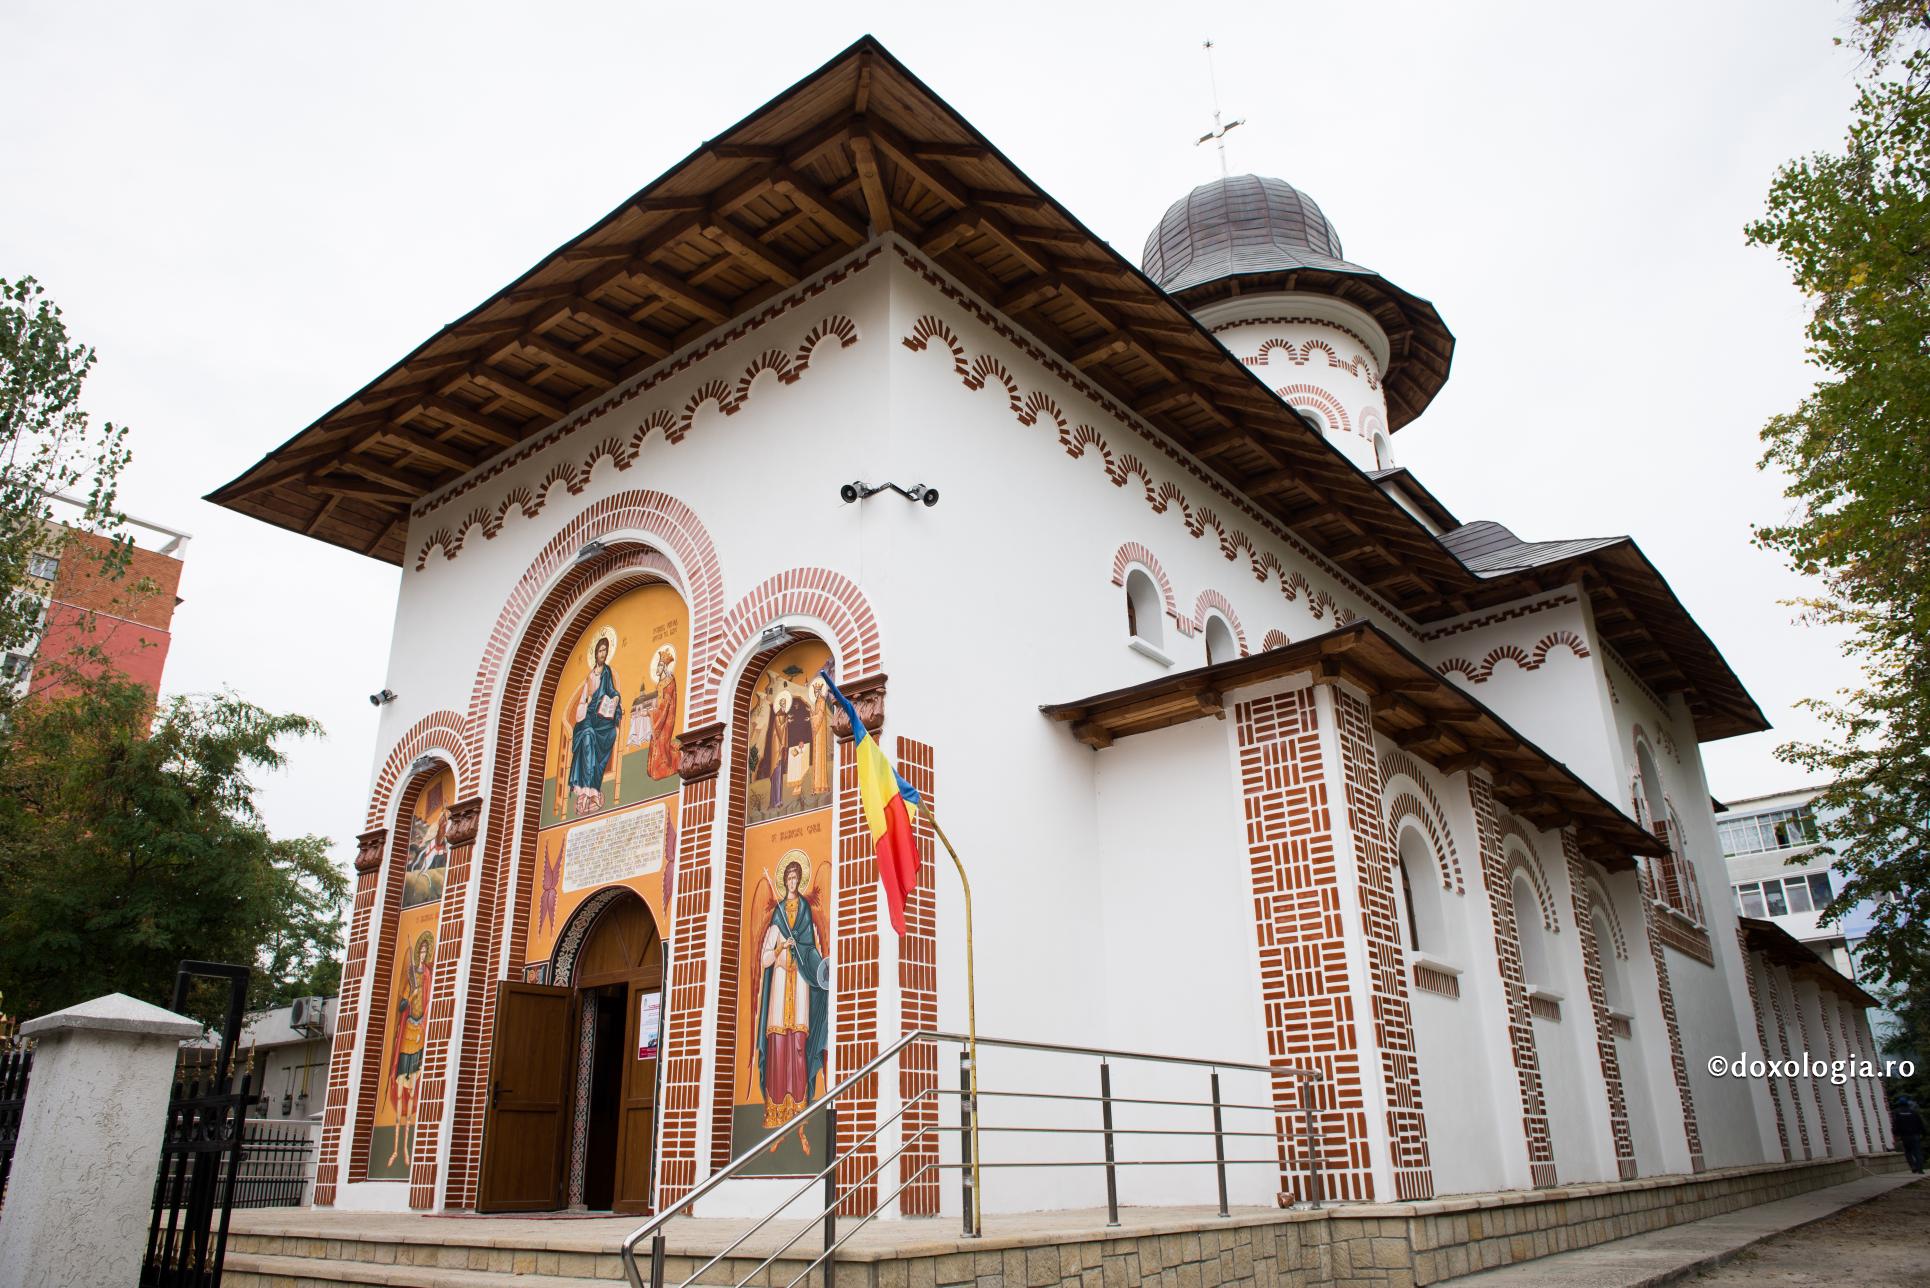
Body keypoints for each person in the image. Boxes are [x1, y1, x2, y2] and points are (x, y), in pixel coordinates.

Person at [755, 858, 828, 1149]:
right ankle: (776, 1117)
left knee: (798, 1047)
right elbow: (764, 959)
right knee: (777, 1050)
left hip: (799, 989)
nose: (794, 883)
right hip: (779, 989)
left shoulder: (805, 914)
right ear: (785, 881)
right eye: (790, 878)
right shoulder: (777, 919)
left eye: (798, 879)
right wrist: (780, 947)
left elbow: (811, 949)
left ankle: (800, 1116)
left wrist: (806, 956)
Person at [385, 930, 435, 1169]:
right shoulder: (411, 976)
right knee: (401, 1086)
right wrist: (412, 994)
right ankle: (397, 1149)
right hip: (407, 1036)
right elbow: (403, 1003)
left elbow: (429, 1001)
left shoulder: (428, 975)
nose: (423, 955)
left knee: (414, 1086)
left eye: (426, 952)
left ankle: (406, 1147)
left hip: (420, 1033)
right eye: (421, 952)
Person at [567, 629, 623, 812]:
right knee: (587, 735)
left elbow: (612, 691)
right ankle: (587, 791)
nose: (603, 654)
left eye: (605, 652)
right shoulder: (589, 677)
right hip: (588, 718)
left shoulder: (606, 673)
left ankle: (591, 791)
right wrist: (589, 701)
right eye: (600, 651)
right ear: (595, 653)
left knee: (599, 735)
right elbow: (581, 704)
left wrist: (614, 699)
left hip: (603, 719)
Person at [646, 644, 682, 779]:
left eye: (661, 666)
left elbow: (666, 704)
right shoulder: (661, 682)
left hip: (665, 718)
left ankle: (666, 765)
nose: (658, 668)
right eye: (658, 665)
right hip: (660, 715)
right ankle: (655, 768)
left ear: (665, 668)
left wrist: (652, 714)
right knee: (655, 740)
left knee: (662, 742)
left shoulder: (669, 681)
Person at [1892, 1094, 1925, 1173]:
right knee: (1917, 1152)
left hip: (1905, 1136)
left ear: (1899, 1103)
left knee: (1908, 1151)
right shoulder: (1913, 1112)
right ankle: (1920, 1169)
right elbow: (1920, 1123)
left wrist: (1896, 1134)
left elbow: (1896, 1124)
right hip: (1915, 1135)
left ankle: (1913, 1166)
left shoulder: (1897, 1112)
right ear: (1907, 1103)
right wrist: (1922, 1132)